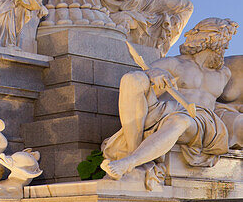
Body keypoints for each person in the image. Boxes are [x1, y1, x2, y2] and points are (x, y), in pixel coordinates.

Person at [102, 18, 239, 180]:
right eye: (223, 44)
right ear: (209, 41)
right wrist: (152, 73)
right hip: (165, 112)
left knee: (181, 120)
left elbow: (216, 102)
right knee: (133, 79)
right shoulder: (173, 63)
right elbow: (147, 79)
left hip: (200, 121)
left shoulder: (223, 74)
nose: (225, 48)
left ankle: (129, 163)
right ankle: (134, 152)